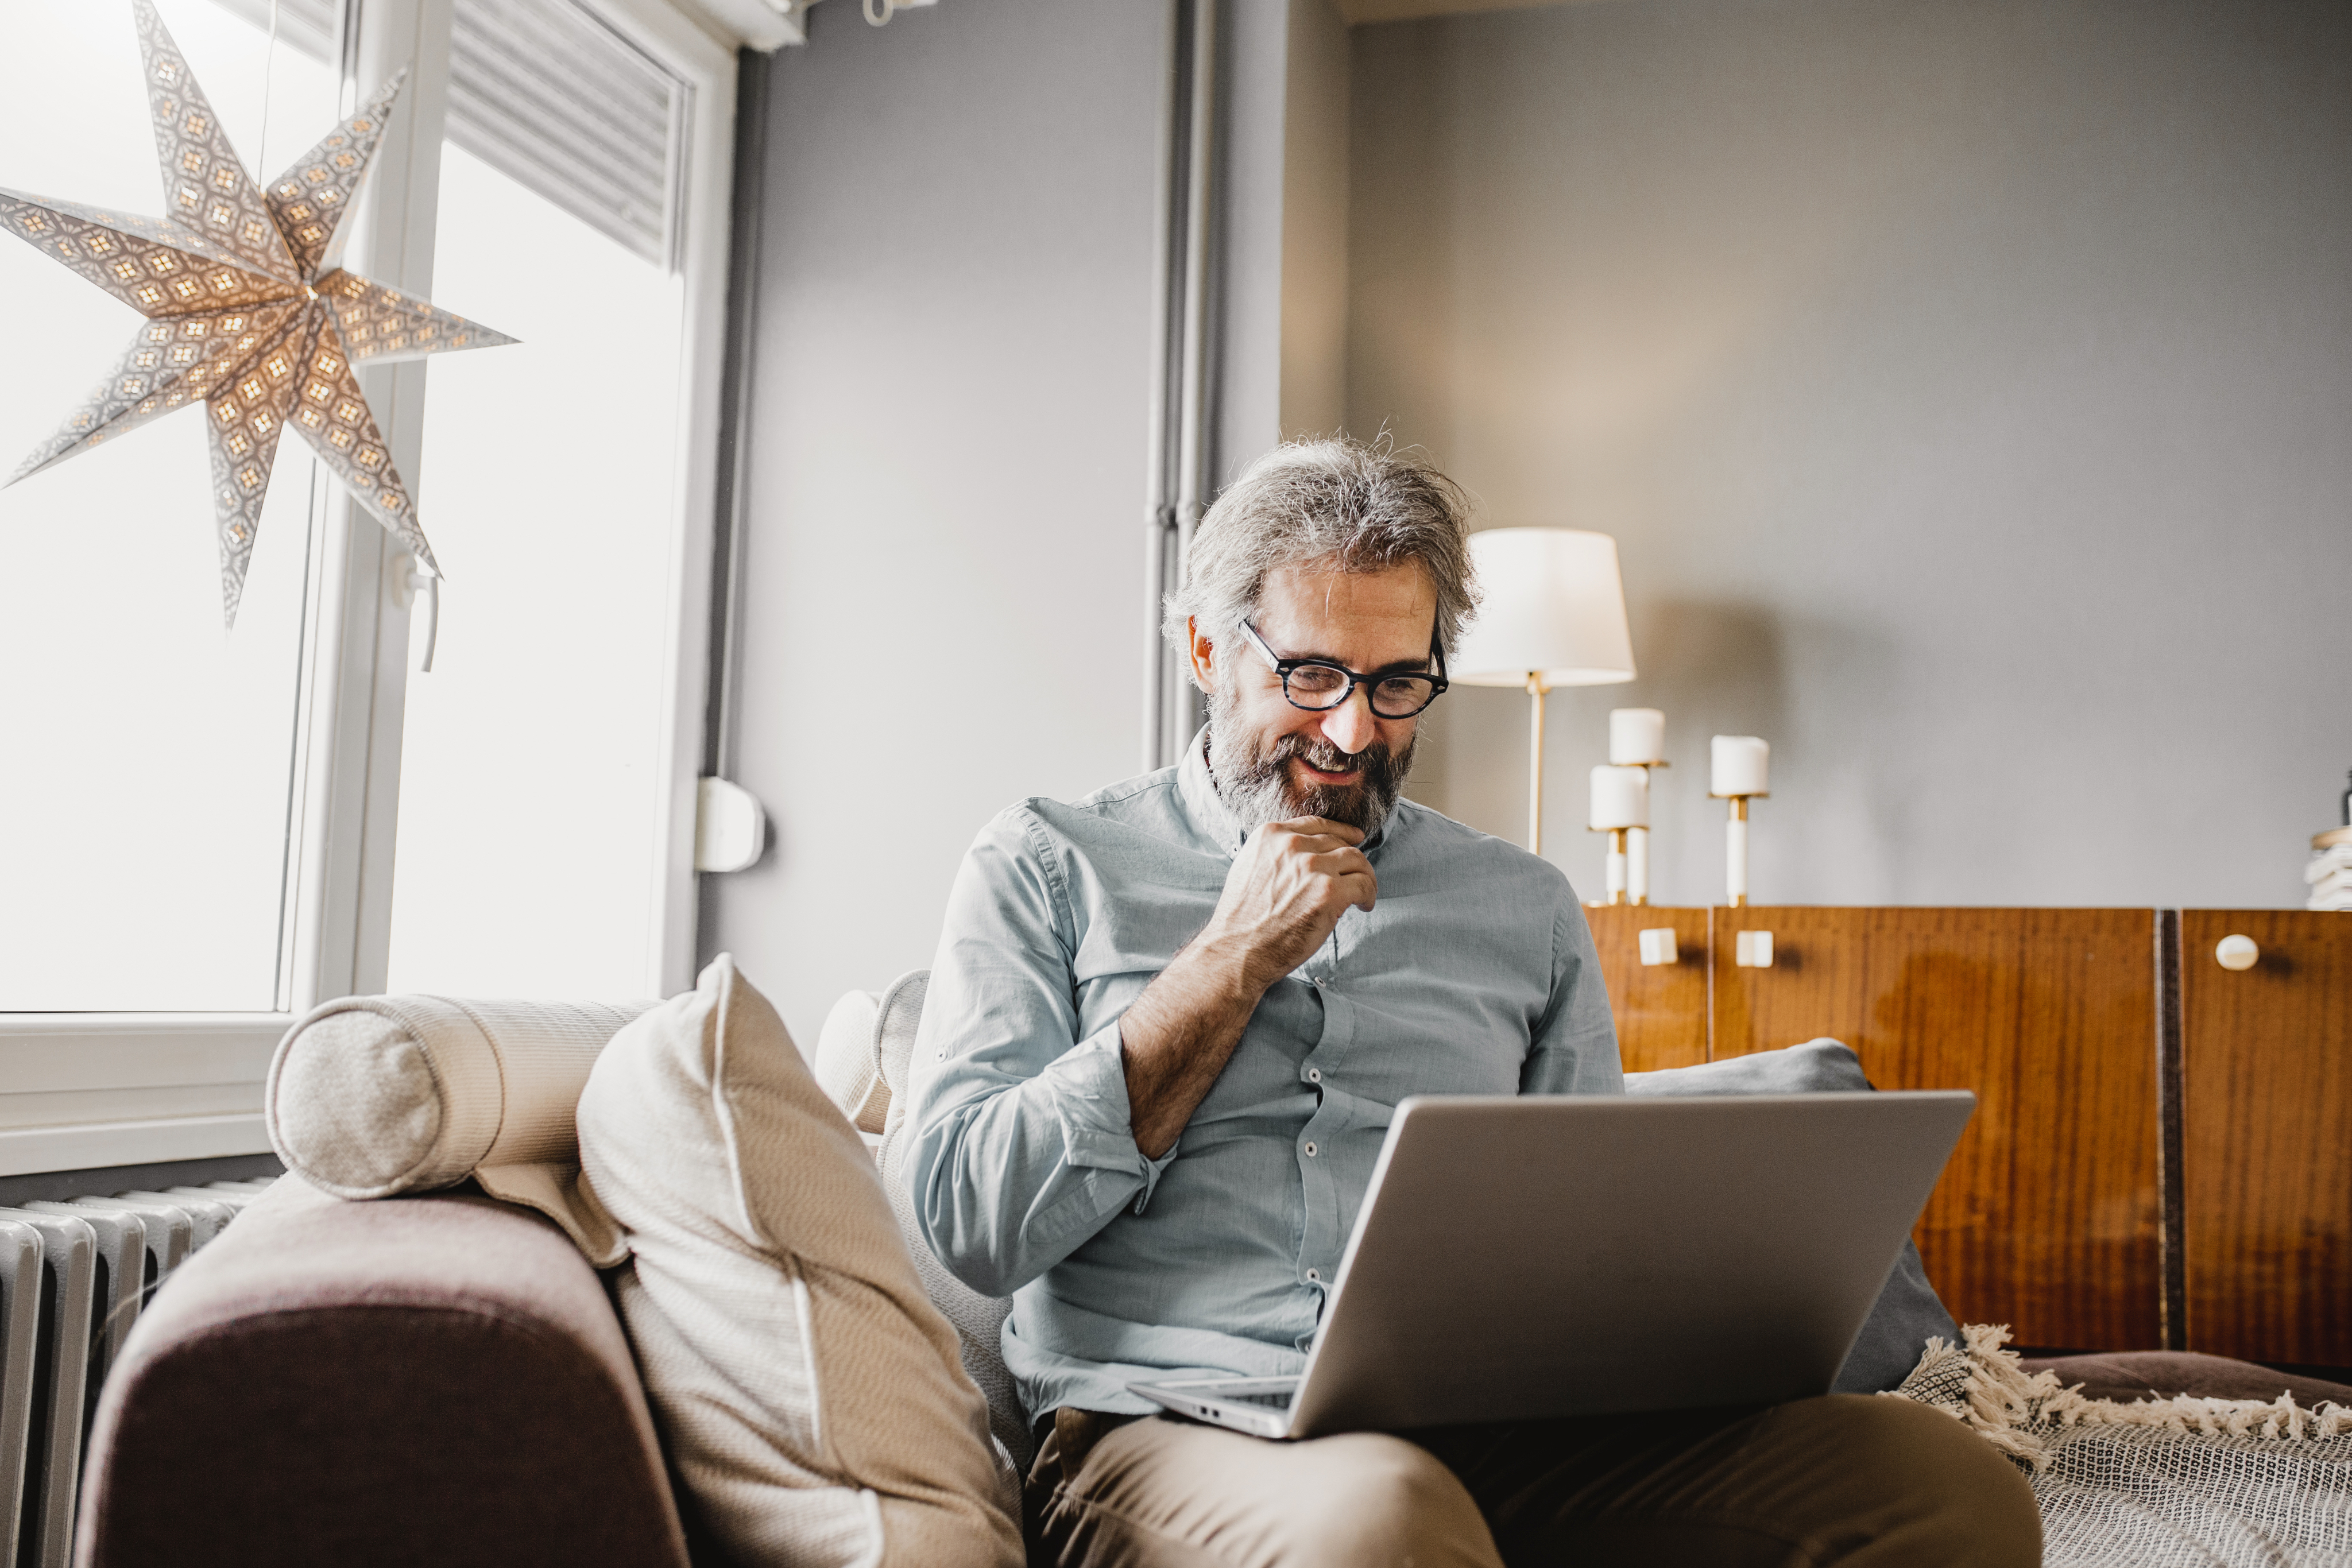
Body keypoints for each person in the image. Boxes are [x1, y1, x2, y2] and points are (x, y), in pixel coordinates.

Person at [906, 438, 2039, 1566]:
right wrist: (1228, 961)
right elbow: (967, 1222)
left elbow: (1588, 1232)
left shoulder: (1521, 904)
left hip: (1493, 1436)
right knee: (1380, 1520)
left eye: (1396, 683)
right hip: (1169, 1428)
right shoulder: (1047, 864)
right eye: (1309, 676)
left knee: (1938, 1485)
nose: (1352, 733)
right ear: (1206, 648)